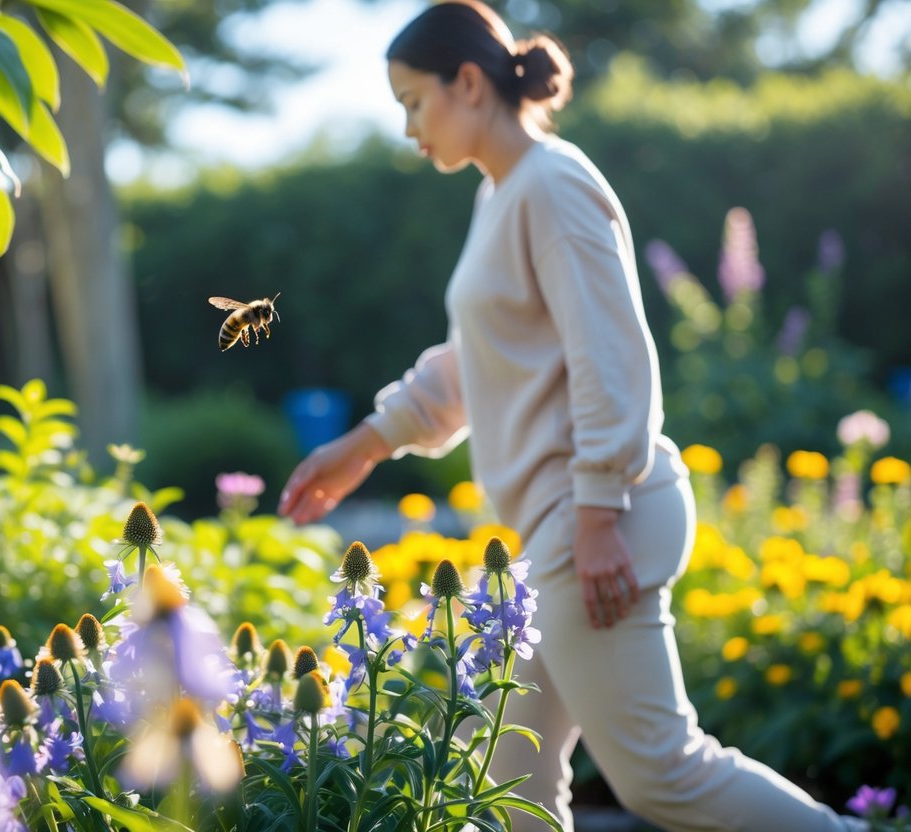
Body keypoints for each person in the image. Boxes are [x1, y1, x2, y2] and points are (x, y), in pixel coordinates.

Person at [277, 3, 867, 830]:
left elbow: (611, 358)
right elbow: (476, 365)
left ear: (469, 84)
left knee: (662, 773)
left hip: (601, 522)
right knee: (507, 790)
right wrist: (366, 445)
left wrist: (596, 512)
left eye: (414, 102)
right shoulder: (502, 198)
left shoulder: (552, 185)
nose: (408, 129)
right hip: (565, 529)